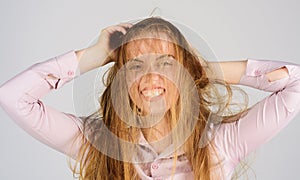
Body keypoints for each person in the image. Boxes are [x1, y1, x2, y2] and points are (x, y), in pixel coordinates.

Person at [0, 17, 300, 180]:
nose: (151, 76)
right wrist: (93, 56)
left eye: (166, 63)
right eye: (136, 64)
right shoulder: (97, 142)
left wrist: (201, 69)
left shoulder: (222, 143)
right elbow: (13, 97)